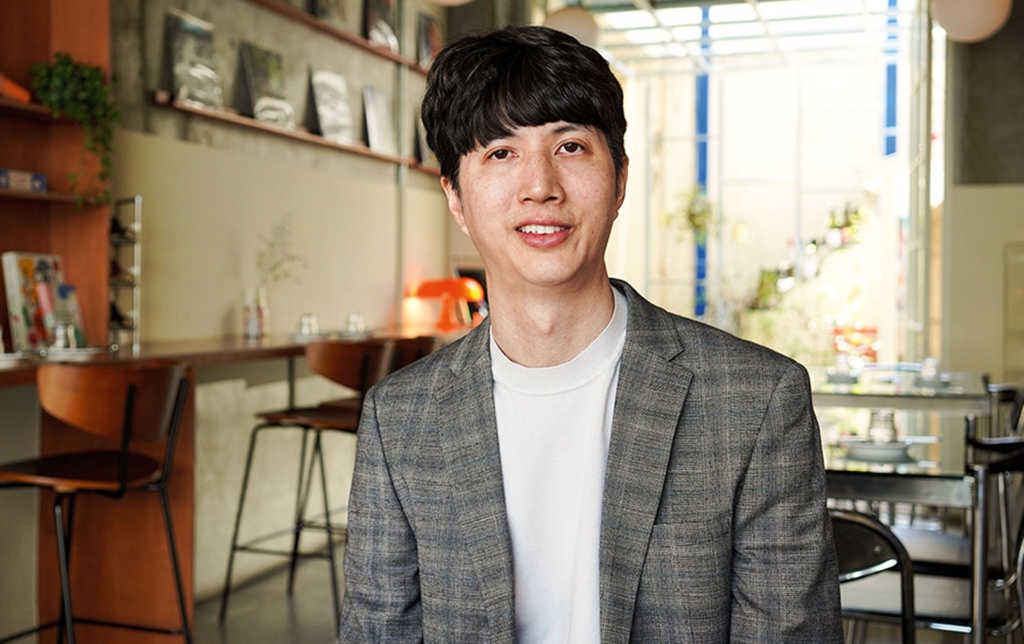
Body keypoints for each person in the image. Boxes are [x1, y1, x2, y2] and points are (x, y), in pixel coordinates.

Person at [340, 24, 843, 643]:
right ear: (456, 198)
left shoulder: (757, 401)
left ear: (620, 179)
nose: (540, 187)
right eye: (500, 153)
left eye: (571, 146)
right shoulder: (399, 418)